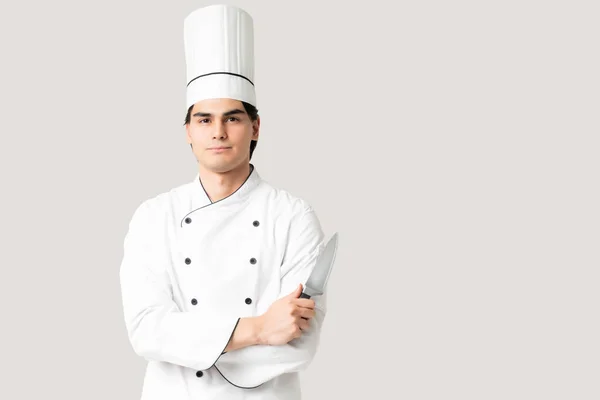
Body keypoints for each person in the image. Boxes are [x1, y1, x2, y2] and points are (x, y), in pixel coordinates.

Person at [119, 5, 330, 399]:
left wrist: (191, 344)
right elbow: (147, 331)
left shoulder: (293, 216)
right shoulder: (153, 217)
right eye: (204, 119)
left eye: (232, 118)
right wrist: (260, 329)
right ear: (187, 131)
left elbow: (300, 344)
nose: (218, 132)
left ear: (255, 127)